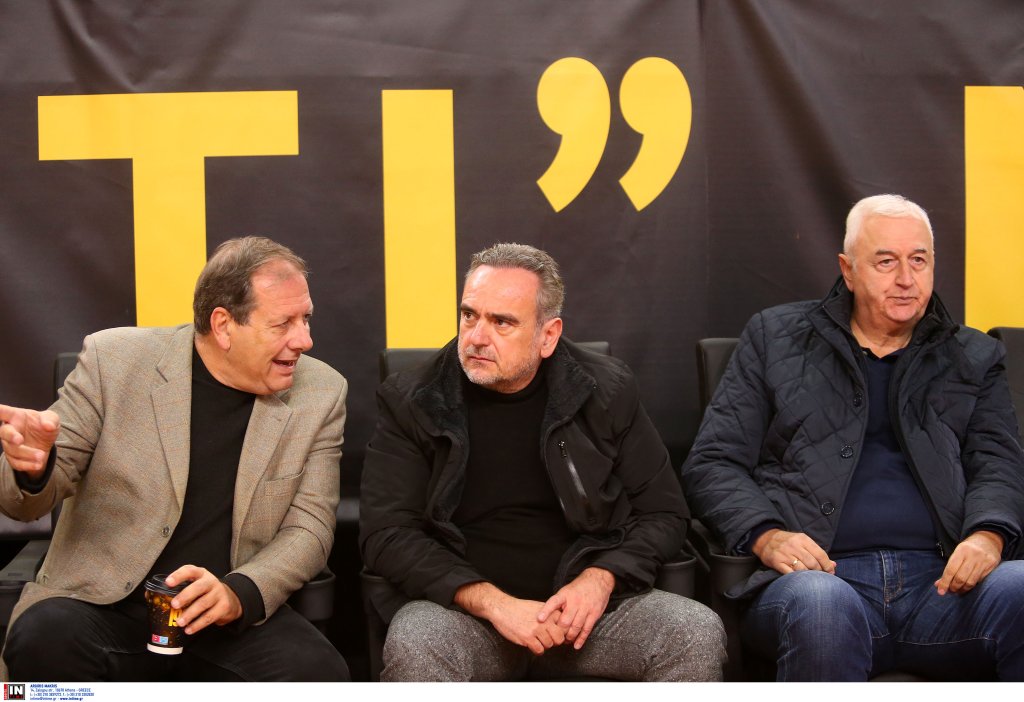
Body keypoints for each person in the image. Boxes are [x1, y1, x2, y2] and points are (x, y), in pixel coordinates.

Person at [682, 194, 1024, 681]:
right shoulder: (775, 337)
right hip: (821, 579)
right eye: (886, 262)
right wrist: (766, 535)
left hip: (944, 586)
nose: (906, 279)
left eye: (919, 261)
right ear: (848, 270)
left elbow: (999, 464)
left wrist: (989, 535)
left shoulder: (974, 355)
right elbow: (713, 462)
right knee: (822, 608)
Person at [360, 242, 726, 681]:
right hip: (467, 615)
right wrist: (492, 603)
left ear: (548, 335)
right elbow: (387, 533)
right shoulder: (413, 400)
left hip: (585, 615)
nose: (476, 337)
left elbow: (665, 512)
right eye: (469, 315)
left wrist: (601, 578)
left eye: (502, 322)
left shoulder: (605, 390)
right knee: (417, 641)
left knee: (693, 631)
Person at [0, 237, 350, 681]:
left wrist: (239, 593)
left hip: (224, 616)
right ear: (223, 325)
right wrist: (33, 472)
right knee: (43, 639)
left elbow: (310, 527)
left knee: (318, 673)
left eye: (306, 319)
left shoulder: (321, 392)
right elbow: (26, 502)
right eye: (283, 324)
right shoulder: (114, 361)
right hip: (103, 606)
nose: (305, 340)